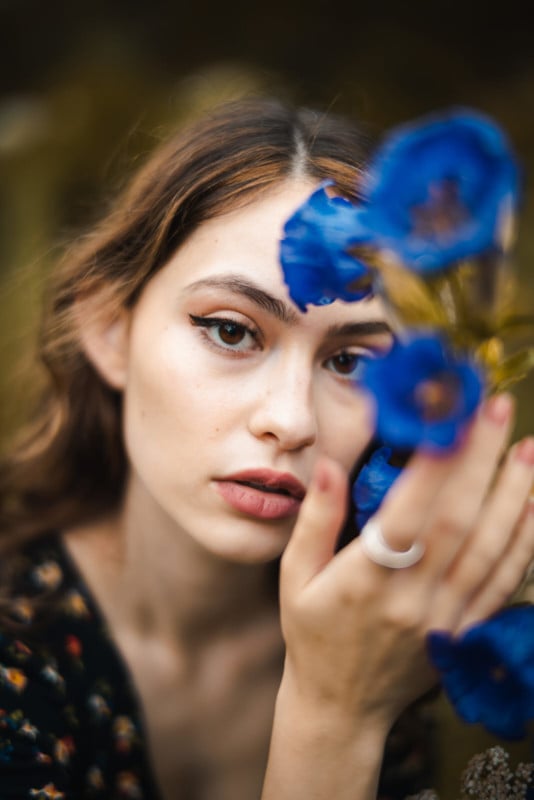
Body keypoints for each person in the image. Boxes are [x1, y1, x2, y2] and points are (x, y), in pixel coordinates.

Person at [0, 96, 533, 800]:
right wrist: (334, 717)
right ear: (109, 329)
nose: (290, 420)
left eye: (352, 362)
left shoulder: (375, 638)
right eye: (230, 330)